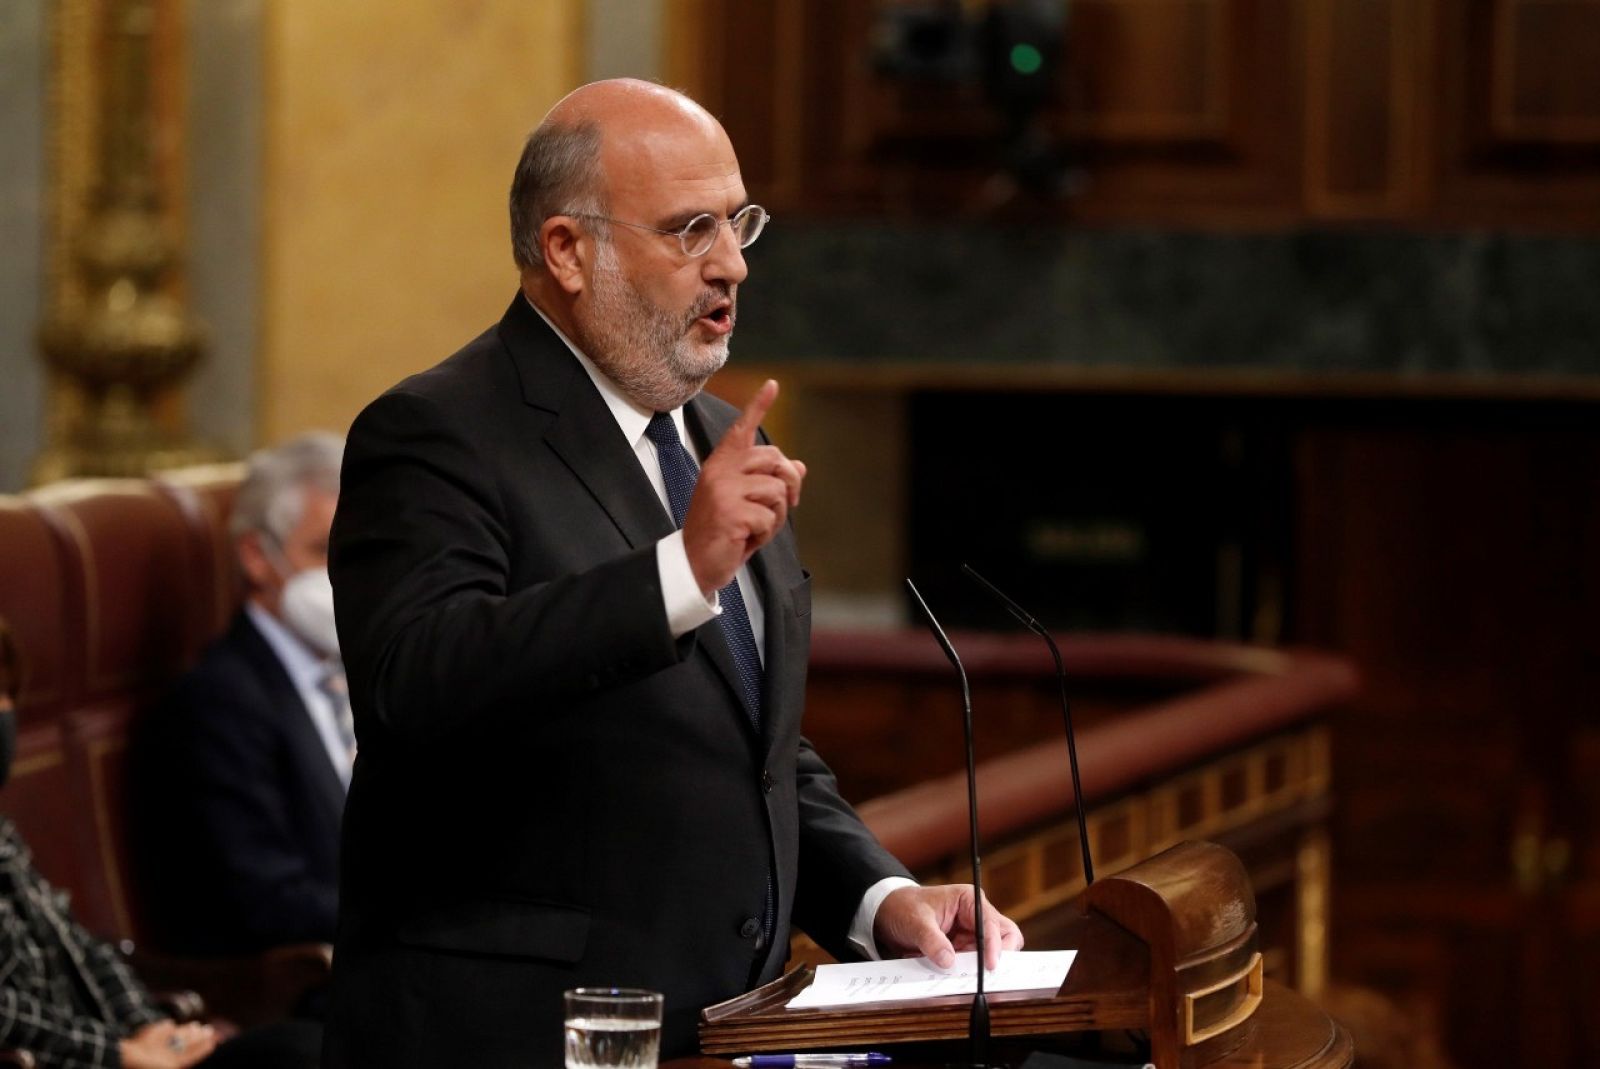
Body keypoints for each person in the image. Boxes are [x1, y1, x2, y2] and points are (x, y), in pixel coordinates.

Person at [323, 78, 1024, 1067]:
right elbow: (417, 680)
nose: (732, 264)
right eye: (691, 229)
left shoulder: (713, 435)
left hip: (723, 1026)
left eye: (738, 222)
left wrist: (880, 896)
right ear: (568, 251)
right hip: (515, 1032)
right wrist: (676, 573)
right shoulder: (438, 432)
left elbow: (750, 746)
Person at [0, 615, 322, 1069]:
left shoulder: (4, 833)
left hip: (126, 1049)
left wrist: (147, 1029)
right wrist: (119, 1053)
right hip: (77, 1058)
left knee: (311, 1047)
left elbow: (82, 945)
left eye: (8, 693)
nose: (5, 711)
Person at [141, 433, 348, 956]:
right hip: (309, 986)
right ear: (258, 557)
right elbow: (268, 900)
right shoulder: (218, 703)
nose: (348, 574)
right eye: (324, 550)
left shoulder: (370, 671)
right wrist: (426, 919)